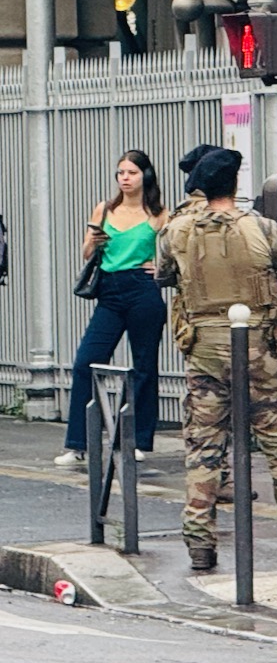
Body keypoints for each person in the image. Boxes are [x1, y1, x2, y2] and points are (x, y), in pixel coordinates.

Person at [156, 149, 277, 571]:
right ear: (234, 185)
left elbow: (163, 276)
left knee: (204, 446)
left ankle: (199, 541)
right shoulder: (262, 228)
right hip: (260, 353)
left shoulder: (175, 230)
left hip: (202, 350)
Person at [57, 150, 168, 467]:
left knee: (145, 365)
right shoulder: (105, 209)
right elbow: (85, 253)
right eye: (121, 172)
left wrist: (159, 269)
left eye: (131, 172)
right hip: (109, 289)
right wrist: (94, 240)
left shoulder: (159, 213)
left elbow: (178, 250)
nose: (125, 178)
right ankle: (77, 443)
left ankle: (138, 441)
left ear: (144, 175)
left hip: (141, 289)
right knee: (86, 362)